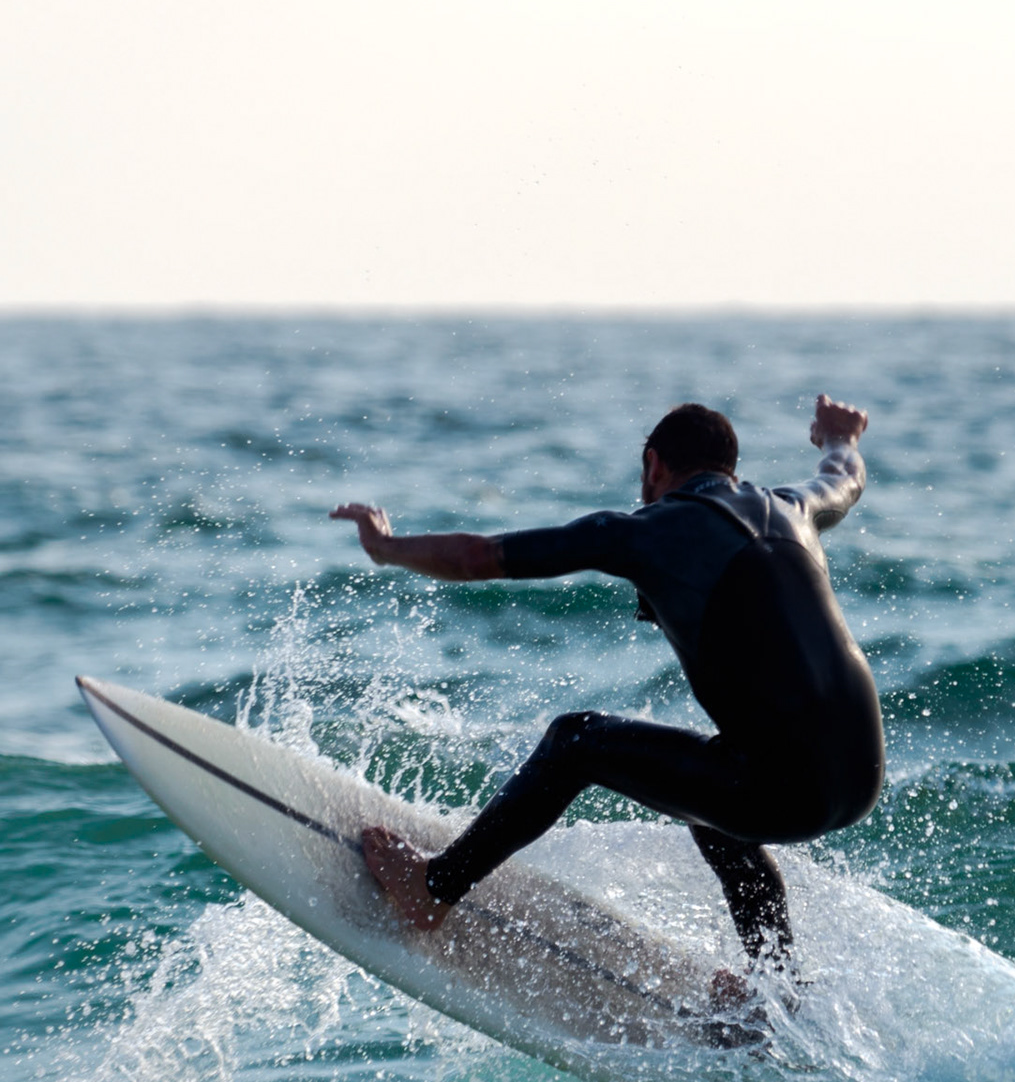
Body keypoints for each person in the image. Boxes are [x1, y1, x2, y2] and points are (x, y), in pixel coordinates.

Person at [330, 395, 883, 987]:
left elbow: (481, 555)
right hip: (860, 774)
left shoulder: (647, 530)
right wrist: (839, 436)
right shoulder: (792, 506)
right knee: (714, 806)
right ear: (731, 468)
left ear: (653, 466)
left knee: (576, 741)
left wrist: (386, 547)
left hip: (784, 790)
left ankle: (431, 891)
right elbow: (844, 476)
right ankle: (777, 985)